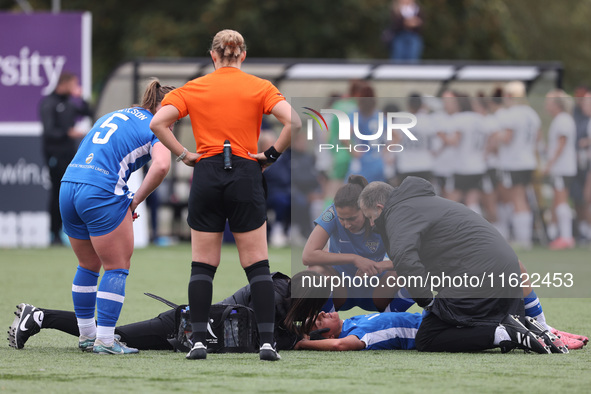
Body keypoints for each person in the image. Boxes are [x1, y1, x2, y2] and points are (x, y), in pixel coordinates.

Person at [149, 29, 300, 361]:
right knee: (257, 266)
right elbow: (295, 121)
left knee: (202, 265)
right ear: (242, 55)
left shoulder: (195, 87)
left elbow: (158, 123)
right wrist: (270, 156)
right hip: (246, 172)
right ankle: (266, 343)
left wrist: (184, 155)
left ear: (213, 55)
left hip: (207, 173)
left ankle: (199, 341)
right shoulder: (259, 86)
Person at [358, 176, 549, 353]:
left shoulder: (398, 214)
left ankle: (505, 334)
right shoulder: (422, 203)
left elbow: (405, 259)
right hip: (499, 269)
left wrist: (427, 302)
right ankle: (535, 326)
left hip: (477, 275)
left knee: (427, 337)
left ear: (380, 207)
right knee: (457, 320)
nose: (372, 224)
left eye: (369, 217)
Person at [58, 80, 175, 354]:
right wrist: (134, 201)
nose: (177, 120)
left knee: (87, 264)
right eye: (177, 112)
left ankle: (87, 335)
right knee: (117, 267)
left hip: (69, 185)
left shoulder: (115, 114)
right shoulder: (158, 125)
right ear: (165, 107)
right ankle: (106, 341)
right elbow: (161, 166)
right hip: (100, 191)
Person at [8, 272, 301, 352]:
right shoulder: (276, 290)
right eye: (325, 311)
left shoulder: (283, 312)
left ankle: (40, 317)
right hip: (182, 325)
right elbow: (248, 326)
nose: (328, 315)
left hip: (187, 335)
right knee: (114, 336)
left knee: (116, 337)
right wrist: (305, 338)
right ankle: (39, 317)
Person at [303, 175, 414, 314]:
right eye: (341, 219)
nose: (346, 224)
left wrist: (379, 266)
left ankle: (388, 320)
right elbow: (307, 255)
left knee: (415, 273)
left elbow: (415, 258)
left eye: (352, 218)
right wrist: (355, 259)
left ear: (365, 209)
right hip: (341, 289)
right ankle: (328, 323)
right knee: (314, 271)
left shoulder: (384, 217)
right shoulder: (332, 213)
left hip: (377, 290)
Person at [39, 71, 92, 245]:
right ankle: (53, 234)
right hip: (55, 155)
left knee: (71, 195)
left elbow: (88, 112)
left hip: (71, 156)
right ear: (65, 83)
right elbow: (49, 132)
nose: (76, 88)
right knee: (57, 194)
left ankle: (68, 233)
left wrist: (82, 97)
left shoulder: (70, 103)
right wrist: (68, 133)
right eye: (74, 84)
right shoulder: (48, 103)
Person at [498, 81, 541, 250]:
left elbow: (507, 138)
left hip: (514, 162)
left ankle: (523, 239)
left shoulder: (512, 114)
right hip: (528, 160)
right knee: (520, 197)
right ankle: (522, 237)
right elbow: (537, 138)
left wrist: (496, 136)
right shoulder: (531, 113)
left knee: (516, 198)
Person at [543, 90, 577, 249]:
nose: (546, 105)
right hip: (563, 168)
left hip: (562, 168)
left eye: (548, 102)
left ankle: (566, 237)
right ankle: (562, 235)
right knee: (558, 202)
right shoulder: (562, 119)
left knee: (561, 202)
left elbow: (561, 145)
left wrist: (549, 164)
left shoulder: (562, 120)